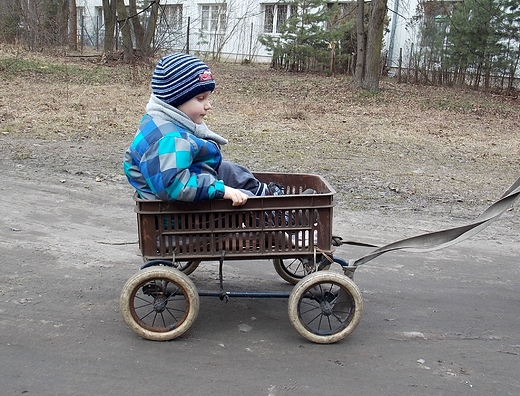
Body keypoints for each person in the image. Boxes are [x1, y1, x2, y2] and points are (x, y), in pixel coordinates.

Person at [123, 52, 282, 206]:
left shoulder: (164, 121)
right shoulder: (169, 139)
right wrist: (222, 190)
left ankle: (266, 194)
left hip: (191, 188)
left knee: (229, 170)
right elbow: (174, 186)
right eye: (200, 98)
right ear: (175, 100)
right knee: (244, 200)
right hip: (181, 216)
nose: (208, 105)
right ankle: (279, 222)